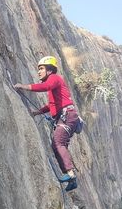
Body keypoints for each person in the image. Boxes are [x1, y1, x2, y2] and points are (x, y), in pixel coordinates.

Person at [14, 56, 80, 192]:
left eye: (41, 69)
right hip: (67, 116)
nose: (39, 72)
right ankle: (71, 178)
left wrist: (24, 86)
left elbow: (46, 86)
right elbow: (51, 105)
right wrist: (37, 112)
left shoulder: (54, 78)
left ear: (49, 70)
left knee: (58, 143)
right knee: (56, 146)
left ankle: (71, 174)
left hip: (67, 116)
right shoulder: (53, 87)